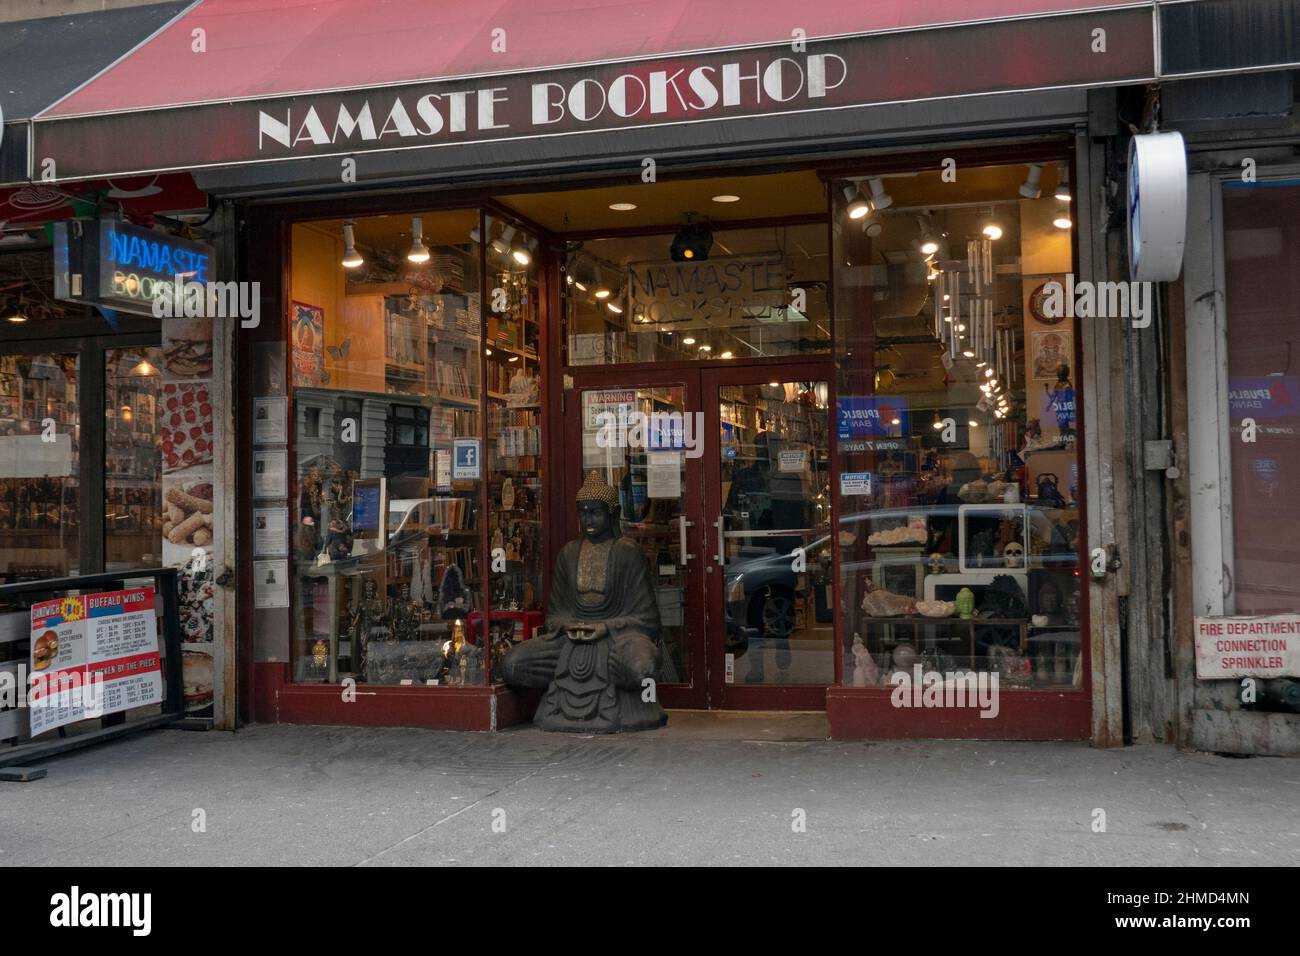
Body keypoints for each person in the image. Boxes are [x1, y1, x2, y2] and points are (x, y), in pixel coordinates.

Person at [501, 471, 667, 733]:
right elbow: (555, 615)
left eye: (595, 513)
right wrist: (570, 626)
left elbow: (647, 619)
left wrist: (606, 627)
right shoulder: (569, 554)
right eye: (583, 513)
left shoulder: (627, 552)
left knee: (641, 667)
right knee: (513, 664)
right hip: (571, 641)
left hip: (619, 640)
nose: (587, 520)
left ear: (613, 514)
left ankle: (625, 705)